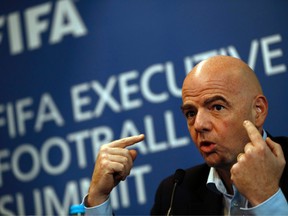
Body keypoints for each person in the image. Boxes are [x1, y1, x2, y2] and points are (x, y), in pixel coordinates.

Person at [82, 55, 288, 215]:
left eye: (217, 107)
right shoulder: (175, 192)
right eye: (191, 113)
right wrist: (98, 200)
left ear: (258, 110)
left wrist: (266, 198)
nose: (199, 124)